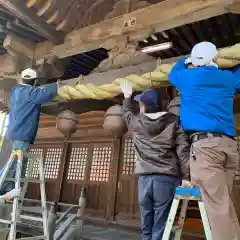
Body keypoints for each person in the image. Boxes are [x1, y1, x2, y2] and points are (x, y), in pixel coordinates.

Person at [169, 41, 240, 240]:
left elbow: (173, 72)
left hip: (206, 149)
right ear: (215, 58)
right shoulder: (227, 78)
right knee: (224, 205)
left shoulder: (188, 77)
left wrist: (186, 60)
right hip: (229, 146)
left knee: (218, 209)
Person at [120, 83, 190, 240]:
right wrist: (187, 176)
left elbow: (126, 113)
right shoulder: (175, 121)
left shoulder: (136, 122)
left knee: (146, 221)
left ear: (143, 106)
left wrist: (126, 96)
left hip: (144, 178)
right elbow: (183, 150)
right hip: (167, 177)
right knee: (161, 223)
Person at [0, 68, 59, 196]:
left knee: (17, 161)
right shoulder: (29, 92)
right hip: (22, 133)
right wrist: (57, 85)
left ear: (22, 79)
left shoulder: (16, 92)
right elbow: (45, 94)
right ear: (35, 81)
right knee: (17, 162)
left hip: (15, 132)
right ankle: (5, 187)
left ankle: (9, 188)